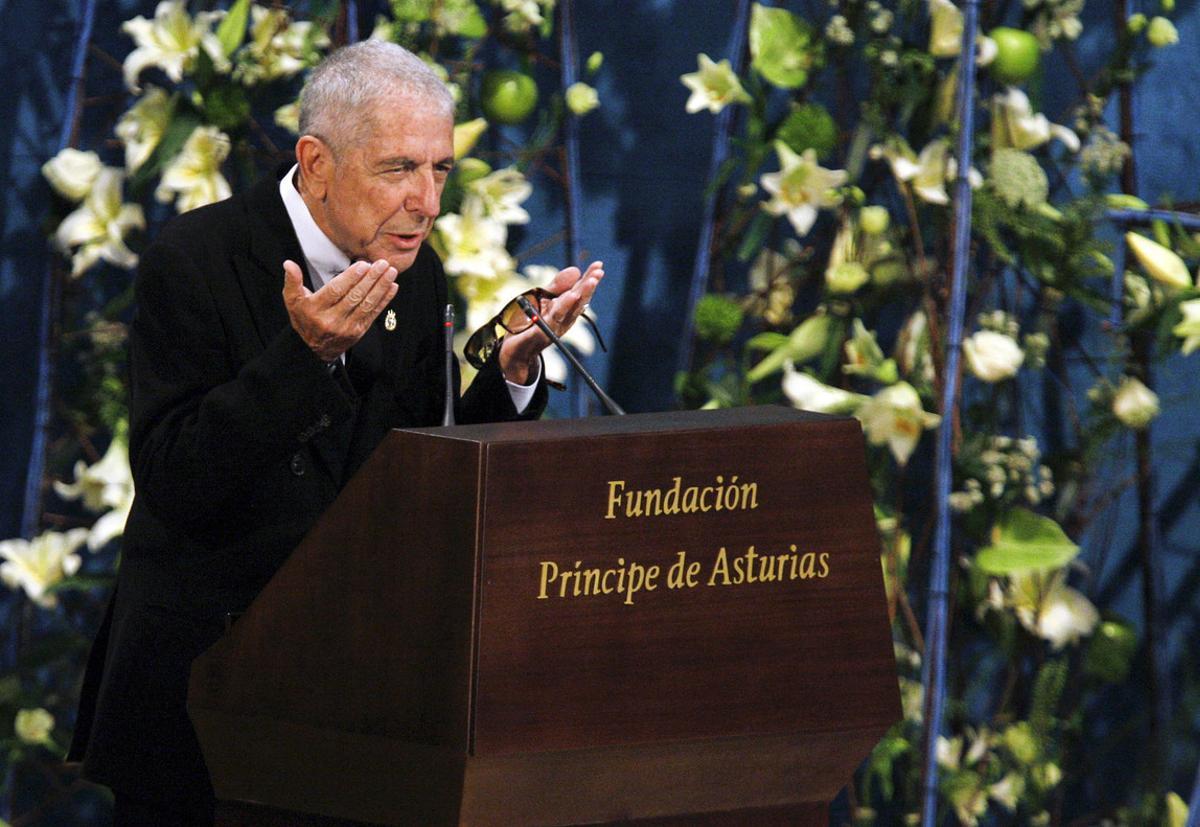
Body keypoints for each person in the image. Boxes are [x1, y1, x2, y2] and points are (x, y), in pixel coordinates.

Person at [67, 40, 604, 826]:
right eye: (399, 170)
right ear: (316, 162)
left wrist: (513, 374)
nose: (427, 201)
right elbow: (175, 477)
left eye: (440, 170)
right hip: (204, 711)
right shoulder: (195, 259)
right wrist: (304, 359)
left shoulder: (416, 273)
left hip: (355, 709)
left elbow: (419, 474)